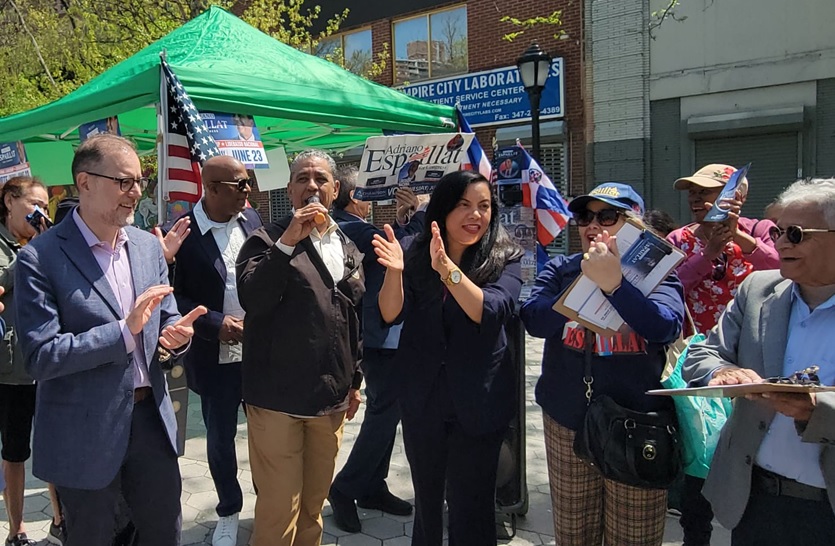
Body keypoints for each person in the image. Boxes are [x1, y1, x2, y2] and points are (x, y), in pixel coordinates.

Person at [13, 134, 206, 546]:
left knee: (163, 534)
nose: (136, 192)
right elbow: (41, 355)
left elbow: (165, 316)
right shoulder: (39, 258)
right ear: (85, 182)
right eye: (124, 182)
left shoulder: (147, 247)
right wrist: (123, 331)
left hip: (151, 422)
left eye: (139, 181)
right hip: (84, 433)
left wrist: (175, 337)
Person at [521, 183, 685, 546]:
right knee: (574, 533)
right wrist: (585, 282)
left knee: (634, 536)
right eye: (584, 217)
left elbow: (665, 326)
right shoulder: (563, 268)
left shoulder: (659, 274)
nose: (592, 225)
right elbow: (533, 319)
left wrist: (616, 286)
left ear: (634, 225)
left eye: (607, 216)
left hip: (637, 422)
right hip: (568, 420)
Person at [682, 178, 835, 546]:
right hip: (754, 501)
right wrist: (723, 372)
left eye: (796, 234)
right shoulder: (756, 290)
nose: (779, 244)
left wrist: (817, 410)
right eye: (778, 232)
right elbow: (702, 353)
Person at [374, 170, 524, 546]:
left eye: (484, 206)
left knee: (472, 508)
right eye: (464, 205)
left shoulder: (505, 254)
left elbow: (491, 310)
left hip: (479, 401)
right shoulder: (414, 250)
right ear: (442, 209)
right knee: (427, 503)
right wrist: (394, 273)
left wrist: (449, 272)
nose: (475, 215)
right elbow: (390, 313)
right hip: (423, 399)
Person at [236, 149, 364, 546]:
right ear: (290, 189)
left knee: (312, 509)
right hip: (278, 401)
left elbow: (353, 319)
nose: (312, 185)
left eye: (321, 179)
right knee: (279, 513)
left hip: (329, 401)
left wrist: (354, 381)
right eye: (302, 178)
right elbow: (253, 298)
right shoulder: (264, 240)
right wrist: (288, 241)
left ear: (335, 189)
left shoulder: (346, 245)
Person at [666, 164, 779, 545]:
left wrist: (741, 241)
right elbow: (669, 287)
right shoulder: (679, 239)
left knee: (748, 447)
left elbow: (784, 271)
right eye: (692, 192)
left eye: (706, 192)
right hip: (697, 362)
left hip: (753, 362)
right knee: (701, 451)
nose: (696, 199)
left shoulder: (761, 231)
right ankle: (694, 533)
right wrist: (709, 252)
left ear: (736, 196)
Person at [172, 155, 262, 546]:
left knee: (267, 436)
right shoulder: (183, 233)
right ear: (210, 189)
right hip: (216, 357)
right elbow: (172, 296)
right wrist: (213, 323)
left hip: (259, 353)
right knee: (221, 439)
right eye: (239, 184)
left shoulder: (252, 219)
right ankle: (228, 510)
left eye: (247, 182)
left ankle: (269, 502)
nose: (248, 190)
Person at [328, 167, 422, 533]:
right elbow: (405, 251)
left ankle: (371, 486)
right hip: (378, 336)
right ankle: (345, 487)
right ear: (355, 197)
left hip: (382, 333)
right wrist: (419, 214)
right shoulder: (350, 227)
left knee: (388, 411)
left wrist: (404, 220)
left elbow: (390, 243)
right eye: (369, 192)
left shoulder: (352, 226)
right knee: (384, 412)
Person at [0, 177, 48, 546]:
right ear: (9, 201)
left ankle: (60, 520)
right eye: (34, 204)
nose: (40, 213)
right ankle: (16, 529)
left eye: (45, 206)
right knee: (15, 452)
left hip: (46, 365)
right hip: (10, 370)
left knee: (53, 448)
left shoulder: (46, 244)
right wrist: (33, 252)